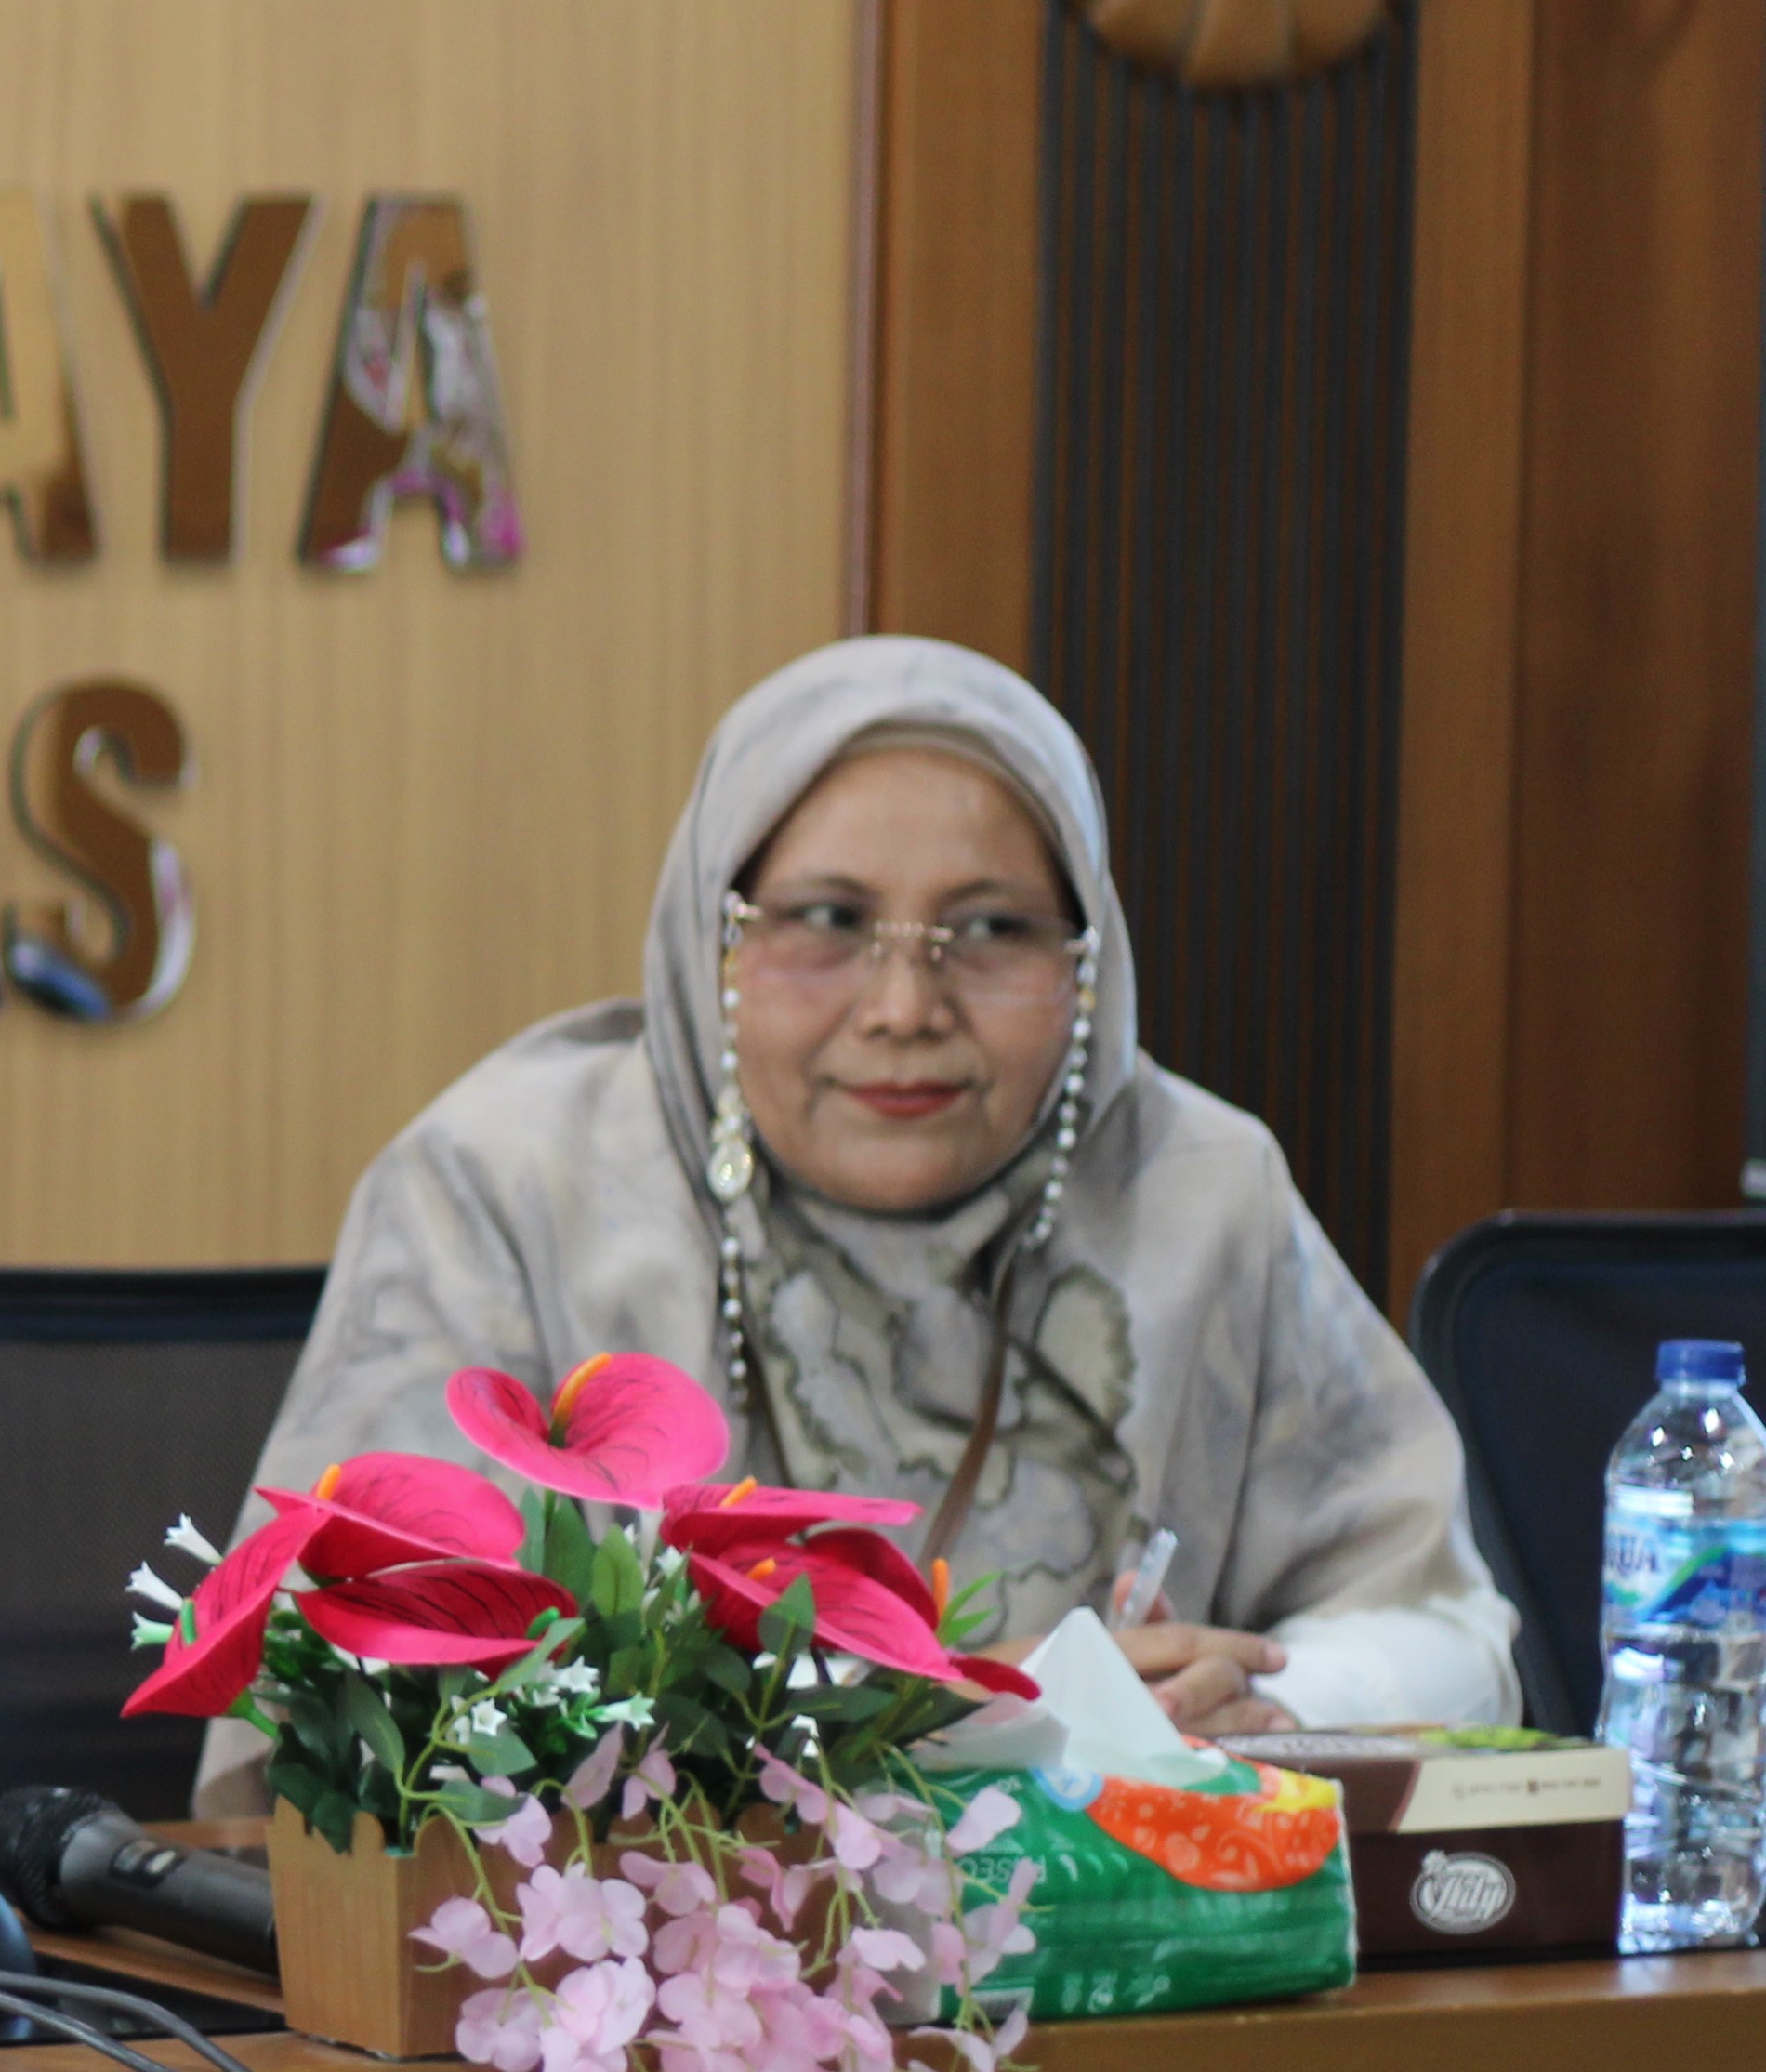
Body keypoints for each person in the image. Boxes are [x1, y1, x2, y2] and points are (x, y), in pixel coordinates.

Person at [206, 636, 1511, 1811]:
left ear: (1087, 960)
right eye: (827, 923)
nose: (903, 1008)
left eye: (990, 931)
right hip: (601, 1978)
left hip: (1126, 1964)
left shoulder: (1201, 1191)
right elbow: (350, 1704)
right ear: (714, 941)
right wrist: (934, 1715)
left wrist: (1256, 1706)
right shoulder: (505, 1186)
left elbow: (1445, 1628)